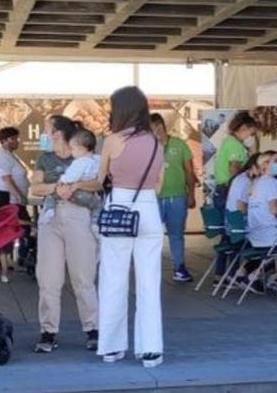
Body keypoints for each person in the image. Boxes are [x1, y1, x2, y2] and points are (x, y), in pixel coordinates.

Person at [61, 86, 165, 368]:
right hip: (149, 211)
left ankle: (112, 347)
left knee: (113, 279)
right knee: (149, 282)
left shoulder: (113, 140)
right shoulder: (156, 142)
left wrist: (76, 184)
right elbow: (158, 184)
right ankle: (151, 350)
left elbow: (99, 179)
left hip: (119, 207)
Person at [30, 115, 99, 354]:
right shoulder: (45, 158)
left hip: (78, 215)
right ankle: (48, 331)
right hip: (51, 217)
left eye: (47, 129)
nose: (44, 133)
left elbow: (99, 182)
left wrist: (76, 186)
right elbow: (35, 187)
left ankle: (93, 329)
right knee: (48, 278)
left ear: (57, 133)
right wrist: (58, 188)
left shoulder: (81, 154)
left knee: (83, 276)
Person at [152, 113, 196, 283]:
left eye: (158, 127)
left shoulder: (179, 144)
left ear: (164, 126)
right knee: (152, 235)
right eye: (152, 129)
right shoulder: (148, 148)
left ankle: (179, 267)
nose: (157, 132)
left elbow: (189, 171)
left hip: (177, 196)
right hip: (154, 197)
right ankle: (150, 268)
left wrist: (191, 194)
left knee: (176, 234)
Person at [243, 153, 277, 289]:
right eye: (276, 161)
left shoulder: (256, 182)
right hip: (271, 235)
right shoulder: (271, 182)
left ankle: (254, 273)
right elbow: (274, 209)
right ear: (265, 165)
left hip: (255, 235)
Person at [0, 126, 29, 284]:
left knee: (19, 228)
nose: (17, 141)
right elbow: (7, 179)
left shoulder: (10, 155)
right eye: (13, 139)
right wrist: (17, 195)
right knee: (14, 227)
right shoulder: (2, 157)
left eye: (17, 138)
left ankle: (14, 259)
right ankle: (3, 261)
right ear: (4, 140)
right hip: (6, 197)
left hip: (13, 197)